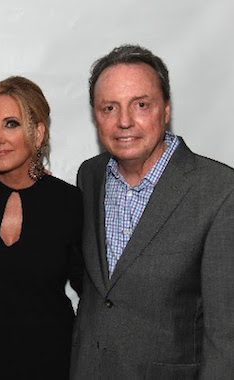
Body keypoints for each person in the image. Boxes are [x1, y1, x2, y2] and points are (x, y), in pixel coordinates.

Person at [70, 45, 234, 379]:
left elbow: (225, 338)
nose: (124, 121)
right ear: (95, 115)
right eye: (109, 108)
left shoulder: (220, 190)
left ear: (166, 109)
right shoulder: (90, 175)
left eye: (141, 105)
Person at [0, 76, 84, 379]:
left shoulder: (69, 202)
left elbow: (91, 291)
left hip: (50, 366)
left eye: (11, 124)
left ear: (37, 133)